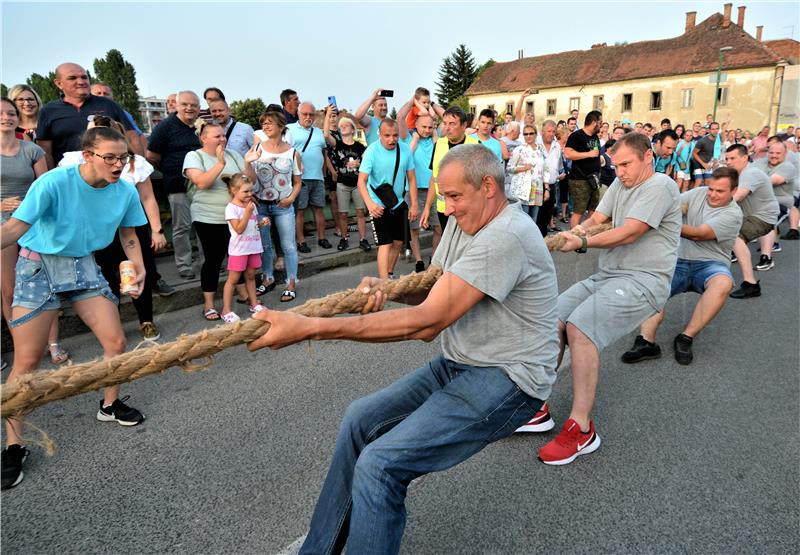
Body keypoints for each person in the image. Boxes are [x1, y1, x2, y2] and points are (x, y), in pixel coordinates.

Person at [248, 144, 559, 554]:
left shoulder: (507, 234)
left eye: (454, 196)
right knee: (360, 419)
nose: (447, 207)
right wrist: (389, 290)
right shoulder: (463, 224)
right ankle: (318, 549)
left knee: (381, 465)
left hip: (509, 379)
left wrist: (308, 328)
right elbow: (432, 292)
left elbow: (427, 323)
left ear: (488, 186)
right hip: (461, 362)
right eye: (444, 196)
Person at [1, 126, 148, 490]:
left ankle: (109, 405)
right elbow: (15, 227)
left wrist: (138, 264)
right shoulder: (52, 183)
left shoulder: (125, 190)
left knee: (115, 343)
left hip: (83, 264)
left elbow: (129, 235)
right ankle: (12, 445)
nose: (117, 165)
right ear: (88, 156)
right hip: (38, 264)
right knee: (28, 361)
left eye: (123, 157)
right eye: (109, 157)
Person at [538, 132, 681, 465]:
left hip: (644, 281)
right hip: (609, 276)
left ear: (648, 157)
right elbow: (598, 220)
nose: (620, 172)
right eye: (615, 165)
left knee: (580, 328)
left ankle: (581, 428)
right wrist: (575, 233)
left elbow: (631, 230)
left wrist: (583, 243)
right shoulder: (620, 184)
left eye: (626, 164)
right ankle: (535, 406)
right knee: (553, 319)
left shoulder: (660, 186)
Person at [60, 115, 170, 341]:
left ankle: (146, 321)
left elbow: (148, 197)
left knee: (140, 273)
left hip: (131, 226)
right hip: (98, 230)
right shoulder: (72, 163)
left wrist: (157, 229)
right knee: (107, 277)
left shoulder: (134, 162)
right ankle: (113, 324)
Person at [622, 167, 742, 365]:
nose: (711, 194)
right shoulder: (698, 193)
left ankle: (686, 337)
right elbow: (669, 206)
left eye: (719, 191)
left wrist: (661, 221)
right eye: (710, 188)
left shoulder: (733, 214)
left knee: (723, 283)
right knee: (653, 283)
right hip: (676, 260)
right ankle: (646, 342)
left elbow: (698, 234)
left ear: (734, 191)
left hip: (709, 264)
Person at [0, 97, 68, 365]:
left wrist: (31, 206)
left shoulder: (32, 150)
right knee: (8, 289)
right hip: (3, 224)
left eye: (11, 113)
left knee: (44, 284)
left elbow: (46, 187)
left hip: (32, 221)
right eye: (1, 113)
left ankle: (53, 343)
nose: (6, 117)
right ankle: (22, 347)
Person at [183, 121, 259, 320]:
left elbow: (250, 181)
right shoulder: (194, 156)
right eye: (217, 136)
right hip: (208, 217)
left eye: (223, 135)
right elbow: (201, 183)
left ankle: (242, 294)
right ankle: (209, 304)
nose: (222, 139)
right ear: (203, 138)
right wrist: (220, 163)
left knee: (238, 257)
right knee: (213, 260)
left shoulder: (234, 154)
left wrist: (249, 163)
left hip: (236, 216)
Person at [36, 63, 138, 168]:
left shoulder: (108, 104)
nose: (81, 82)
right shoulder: (48, 111)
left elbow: (132, 138)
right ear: (59, 83)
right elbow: (45, 152)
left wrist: (137, 167)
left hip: (109, 172)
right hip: (69, 175)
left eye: (84, 77)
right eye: (72, 78)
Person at [146, 90, 202, 279]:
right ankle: (184, 265)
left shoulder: (198, 127)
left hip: (200, 185)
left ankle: (207, 261)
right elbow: (151, 156)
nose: (189, 108)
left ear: (199, 109)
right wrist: (170, 170)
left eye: (194, 105)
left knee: (204, 224)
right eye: (185, 104)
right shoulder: (165, 127)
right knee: (182, 226)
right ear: (176, 106)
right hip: (177, 184)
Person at [357, 119, 418, 279]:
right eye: (387, 136)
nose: (392, 139)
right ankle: (383, 282)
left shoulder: (405, 150)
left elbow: (411, 178)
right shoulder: (371, 151)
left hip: (398, 202)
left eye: (395, 135)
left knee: (398, 241)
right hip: (377, 204)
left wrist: (414, 204)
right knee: (385, 243)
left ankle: (389, 274)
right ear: (380, 134)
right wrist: (370, 204)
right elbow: (361, 181)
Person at [251, 109, 301, 303]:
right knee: (265, 246)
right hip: (261, 204)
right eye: (264, 123)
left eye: (270, 122)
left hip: (283, 206)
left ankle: (291, 282)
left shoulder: (292, 152)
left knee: (288, 245)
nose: (266, 126)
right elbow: (250, 177)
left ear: (281, 126)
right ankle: (267, 278)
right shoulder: (257, 149)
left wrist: (291, 198)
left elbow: (297, 182)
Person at [725, 144, 779, 298]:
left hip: (763, 217)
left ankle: (751, 284)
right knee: (723, 235)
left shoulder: (750, 173)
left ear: (744, 158)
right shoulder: (736, 174)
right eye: (727, 159)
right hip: (748, 216)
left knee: (735, 237)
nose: (728, 162)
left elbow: (738, 196)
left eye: (732, 158)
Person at [420, 106, 479, 239]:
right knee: (449, 244)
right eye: (445, 123)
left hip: (467, 208)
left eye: (452, 124)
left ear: (464, 125)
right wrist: (427, 207)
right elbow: (433, 178)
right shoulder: (439, 145)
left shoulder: (475, 146)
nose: (447, 128)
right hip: (444, 209)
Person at [220, 173, 267, 322]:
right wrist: (247, 212)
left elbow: (251, 225)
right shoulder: (231, 208)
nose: (250, 194)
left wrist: (261, 223)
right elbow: (239, 229)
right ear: (234, 190)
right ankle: (226, 310)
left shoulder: (251, 206)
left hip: (253, 246)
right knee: (233, 279)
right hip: (239, 250)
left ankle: (254, 304)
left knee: (251, 276)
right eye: (245, 191)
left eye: (251, 191)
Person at [398, 99, 437, 269]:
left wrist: (431, 106)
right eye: (424, 127)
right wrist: (412, 101)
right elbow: (400, 117)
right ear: (416, 126)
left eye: (430, 127)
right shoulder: (409, 139)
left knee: (438, 227)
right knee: (414, 228)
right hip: (413, 191)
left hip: (434, 189)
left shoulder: (436, 139)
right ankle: (419, 259)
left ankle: (434, 259)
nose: (427, 130)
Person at [288, 102, 330, 253]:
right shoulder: (289, 129)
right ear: (298, 114)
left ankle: (322, 238)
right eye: (305, 114)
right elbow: (286, 151)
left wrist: (324, 173)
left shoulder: (318, 132)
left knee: (319, 209)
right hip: (300, 178)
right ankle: (301, 241)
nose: (308, 117)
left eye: (311, 114)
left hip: (318, 177)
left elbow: (324, 154)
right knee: (300, 210)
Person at [326, 112, 370, 252]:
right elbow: (326, 135)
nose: (343, 127)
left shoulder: (360, 147)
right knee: (343, 214)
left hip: (358, 184)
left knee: (360, 212)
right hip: (342, 184)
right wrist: (328, 115)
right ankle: (344, 238)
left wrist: (360, 164)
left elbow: (368, 163)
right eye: (341, 126)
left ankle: (363, 239)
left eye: (346, 125)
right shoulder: (337, 145)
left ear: (352, 129)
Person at [752, 140, 797, 267]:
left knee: (765, 222)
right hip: (760, 201)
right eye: (771, 152)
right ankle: (774, 243)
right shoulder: (760, 163)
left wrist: (751, 180)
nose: (774, 155)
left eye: (778, 153)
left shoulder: (788, 167)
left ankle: (766, 258)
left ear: (785, 153)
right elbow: (746, 174)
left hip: (781, 202)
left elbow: (772, 181)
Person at [564, 110, 603, 229]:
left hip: (594, 178)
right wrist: (588, 154)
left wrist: (599, 158)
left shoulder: (595, 136)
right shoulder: (576, 135)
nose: (601, 125)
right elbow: (568, 154)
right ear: (594, 122)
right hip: (580, 180)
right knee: (579, 211)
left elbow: (595, 152)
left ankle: (586, 236)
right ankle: (573, 237)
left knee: (593, 209)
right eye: (600, 122)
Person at [90, 82, 147, 154]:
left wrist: (143, 160)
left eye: (106, 94)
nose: (102, 96)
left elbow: (138, 136)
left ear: (112, 97)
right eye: (98, 93)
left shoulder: (123, 113)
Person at [508, 124, 546, 221]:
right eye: (525, 134)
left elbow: (545, 170)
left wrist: (547, 189)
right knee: (523, 219)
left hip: (537, 188)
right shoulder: (519, 150)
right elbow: (509, 168)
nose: (528, 136)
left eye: (531, 133)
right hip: (523, 189)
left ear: (536, 135)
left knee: (534, 219)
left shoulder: (541, 149)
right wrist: (523, 168)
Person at [535, 120, 564, 237]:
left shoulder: (557, 146)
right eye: (549, 131)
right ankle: (535, 239)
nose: (551, 134)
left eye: (553, 131)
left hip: (552, 185)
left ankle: (543, 238)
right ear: (542, 131)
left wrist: (560, 174)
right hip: (537, 185)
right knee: (536, 215)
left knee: (547, 214)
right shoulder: (536, 145)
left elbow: (559, 164)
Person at [692, 122, 720, 187]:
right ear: (709, 130)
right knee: (699, 181)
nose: (715, 131)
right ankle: (693, 197)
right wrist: (703, 164)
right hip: (698, 163)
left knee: (708, 183)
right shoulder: (702, 141)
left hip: (708, 164)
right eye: (713, 129)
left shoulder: (718, 140)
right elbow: (694, 153)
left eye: (716, 129)